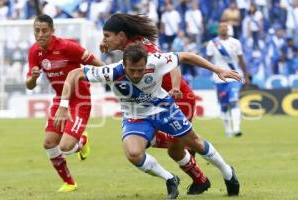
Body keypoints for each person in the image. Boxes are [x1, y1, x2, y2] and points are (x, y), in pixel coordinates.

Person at [54, 44, 241, 198]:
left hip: (164, 110)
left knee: (196, 144)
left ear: (147, 63)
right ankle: (170, 179)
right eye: (131, 70)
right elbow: (74, 74)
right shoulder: (111, 72)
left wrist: (216, 69)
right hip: (136, 116)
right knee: (133, 153)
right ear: (124, 65)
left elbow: (185, 56)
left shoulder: (157, 61)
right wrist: (63, 106)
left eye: (140, 70)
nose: (136, 75)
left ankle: (227, 173)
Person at [99, 13, 209, 195]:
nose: (104, 40)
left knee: (175, 149)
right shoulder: (133, 45)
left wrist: (174, 87)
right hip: (158, 102)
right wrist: (108, 46)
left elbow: (173, 63)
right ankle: (199, 176)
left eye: (107, 36)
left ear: (121, 35)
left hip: (179, 98)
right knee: (173, 147)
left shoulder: (140, 48)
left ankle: (200, 174)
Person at [25, 14, 104, 192]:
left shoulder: (68, 47)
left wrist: (113, 77)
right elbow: (29, 85)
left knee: (66, 147)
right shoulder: (34, 51)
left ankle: (82, 140)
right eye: (36, 31)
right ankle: (69, 182)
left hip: (79, 100)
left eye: (44, 30)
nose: (40, 34)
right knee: (49, 143)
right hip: (60, 99)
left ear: (53, 31)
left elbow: (96, 62)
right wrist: (33, 78)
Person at [206, 22, 250, 138]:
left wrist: (246, 75)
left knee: (234, 101)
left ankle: (236, 128)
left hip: (234, 76)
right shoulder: (212, 43)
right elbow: (207, 61)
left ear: (228, 29)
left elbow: (241, 60)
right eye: (221, 27)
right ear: (218, 29)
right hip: (219, 78)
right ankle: (228, 129)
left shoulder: (236, 43)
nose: (223, 29)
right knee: (224, 106)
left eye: (225, 27)